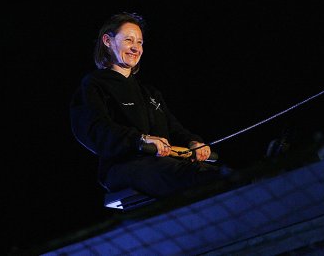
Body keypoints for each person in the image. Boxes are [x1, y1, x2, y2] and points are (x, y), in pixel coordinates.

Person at [70, 12, 223, 197]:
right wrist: (140, 139)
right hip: (124, 167)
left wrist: (193, 142)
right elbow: (96, 130)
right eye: (128, 40)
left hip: (163, 163)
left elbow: (173, 128)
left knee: (221, 176)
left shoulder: (149, 92)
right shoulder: (93, 85)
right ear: (108, 41)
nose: (135, 48)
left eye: (140, 42)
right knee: (195, 178)